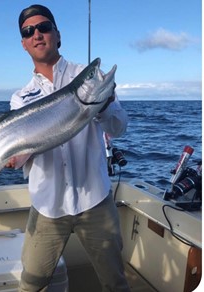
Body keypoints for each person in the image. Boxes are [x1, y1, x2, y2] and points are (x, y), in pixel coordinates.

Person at [8, 4, 130, 292]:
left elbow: (119, 128)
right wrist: (13, 158)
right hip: (47, 205)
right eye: (29, 31)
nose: (37, 34)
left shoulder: (86, 77)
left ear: (57, 35)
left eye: (44, 27)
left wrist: (106, 105)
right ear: (24, 44)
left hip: (95, 199)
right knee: (31, 284)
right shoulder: (21, 98)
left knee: (115, 282)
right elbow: (25, 152)